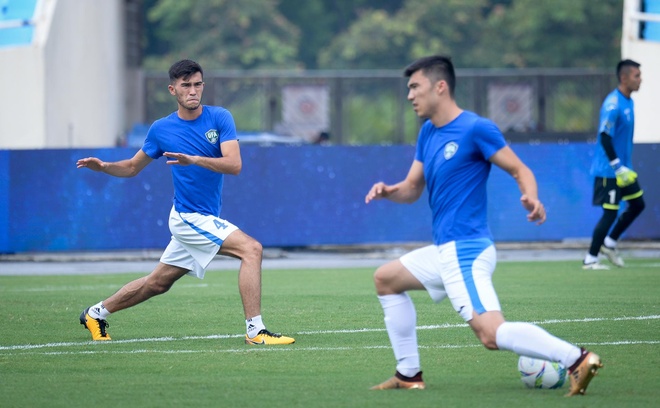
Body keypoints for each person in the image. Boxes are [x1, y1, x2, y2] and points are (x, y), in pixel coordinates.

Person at [364, 55, 601, 396]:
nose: (409, 95)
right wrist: (389, 191)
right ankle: (408, 374)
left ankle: (576, 359)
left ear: (440, 86)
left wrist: (531, 198)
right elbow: (412, 188)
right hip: (446, 251)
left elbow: (521, 170)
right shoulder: (428, 132)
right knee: (386, 279)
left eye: (415, 87)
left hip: (465, 250)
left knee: (490, 334)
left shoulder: (476, 128)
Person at [76, 59, 294, 345]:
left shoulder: (220, 118)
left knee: (157, 283)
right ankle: (256, 331)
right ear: (172, 90)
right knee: (251, 249)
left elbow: (234, 164)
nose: (193, 90)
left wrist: (195, 159)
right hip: (188, 217)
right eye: (185, 85)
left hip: (200, 216)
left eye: (197, 84)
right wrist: (104, 167)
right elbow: (131, 167)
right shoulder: (161, 129)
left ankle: (95, 313)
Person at [582, 59, 645, 270]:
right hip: (609, 171)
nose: (640, 80)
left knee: (638, 204)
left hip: (625, 170)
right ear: (624, 77)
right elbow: (604, 136)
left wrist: (624, 168)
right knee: (610, 212)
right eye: (637, 76)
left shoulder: (629, 102)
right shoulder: (613, 104)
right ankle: (590, 259)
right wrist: (617, 166)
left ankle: (609, 243)